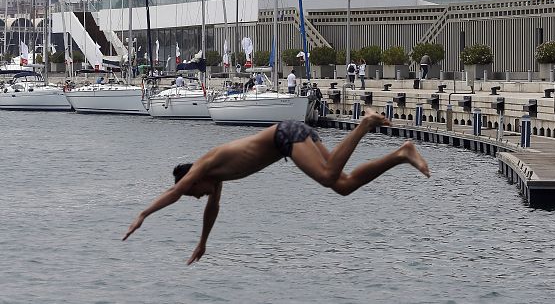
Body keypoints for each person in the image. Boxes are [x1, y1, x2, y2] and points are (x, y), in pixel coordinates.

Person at [122, 110, 430, 264]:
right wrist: (202, 243)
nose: (198, 195)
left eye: (195, 191)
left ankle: (364, 125)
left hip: (286, 136)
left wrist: (144, 214)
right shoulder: (215, 181)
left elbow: (174, 193)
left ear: (193, 178)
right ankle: (402, 154)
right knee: (343, 184)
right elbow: (212, 209)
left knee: (326, 176)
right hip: (290, 136)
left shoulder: (204, 167)